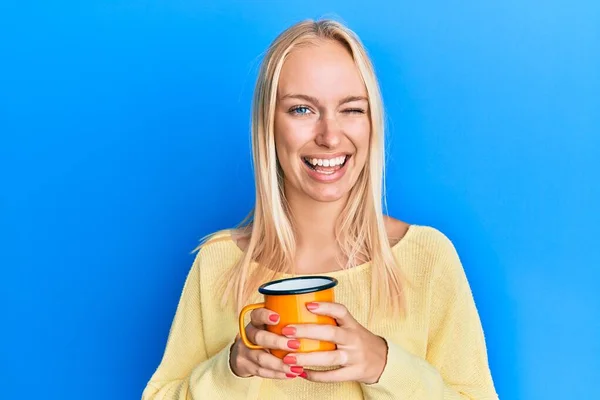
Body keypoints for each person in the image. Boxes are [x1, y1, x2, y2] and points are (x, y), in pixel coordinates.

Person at [141, 19, 498, 400]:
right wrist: (230, 369)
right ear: (268, 125)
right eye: (301, 110)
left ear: (371, 122)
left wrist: (384, 365)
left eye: (351, 110)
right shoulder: (218, 263)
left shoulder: (427, 258)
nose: (329, 136)